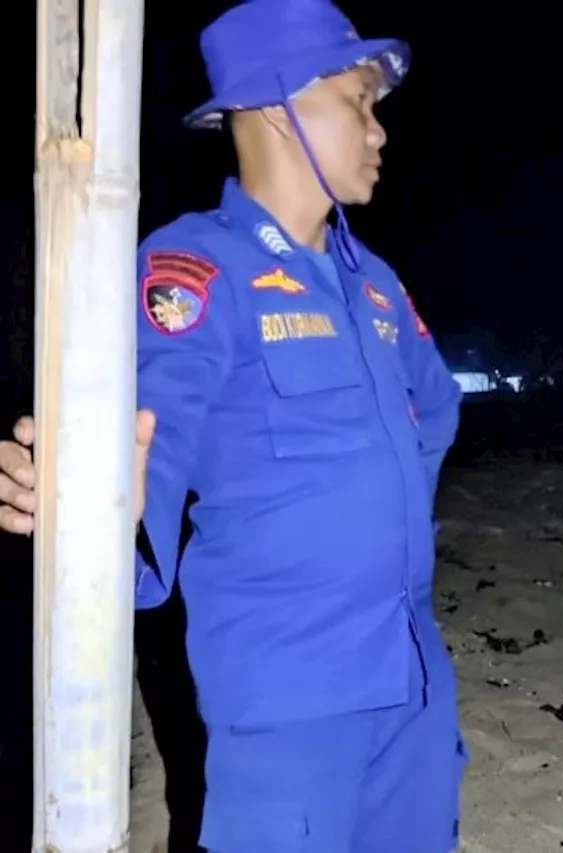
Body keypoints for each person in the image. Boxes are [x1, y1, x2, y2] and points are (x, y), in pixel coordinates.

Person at [0, 1, 466, 850]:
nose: (378, 130)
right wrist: (88, 502)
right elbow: (146, 438)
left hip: (412, 677)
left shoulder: (375, 284)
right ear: (275, 107)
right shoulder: (196, 268)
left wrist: (371, 521)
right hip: (288, 700)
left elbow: (434, 410)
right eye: (357, 102)